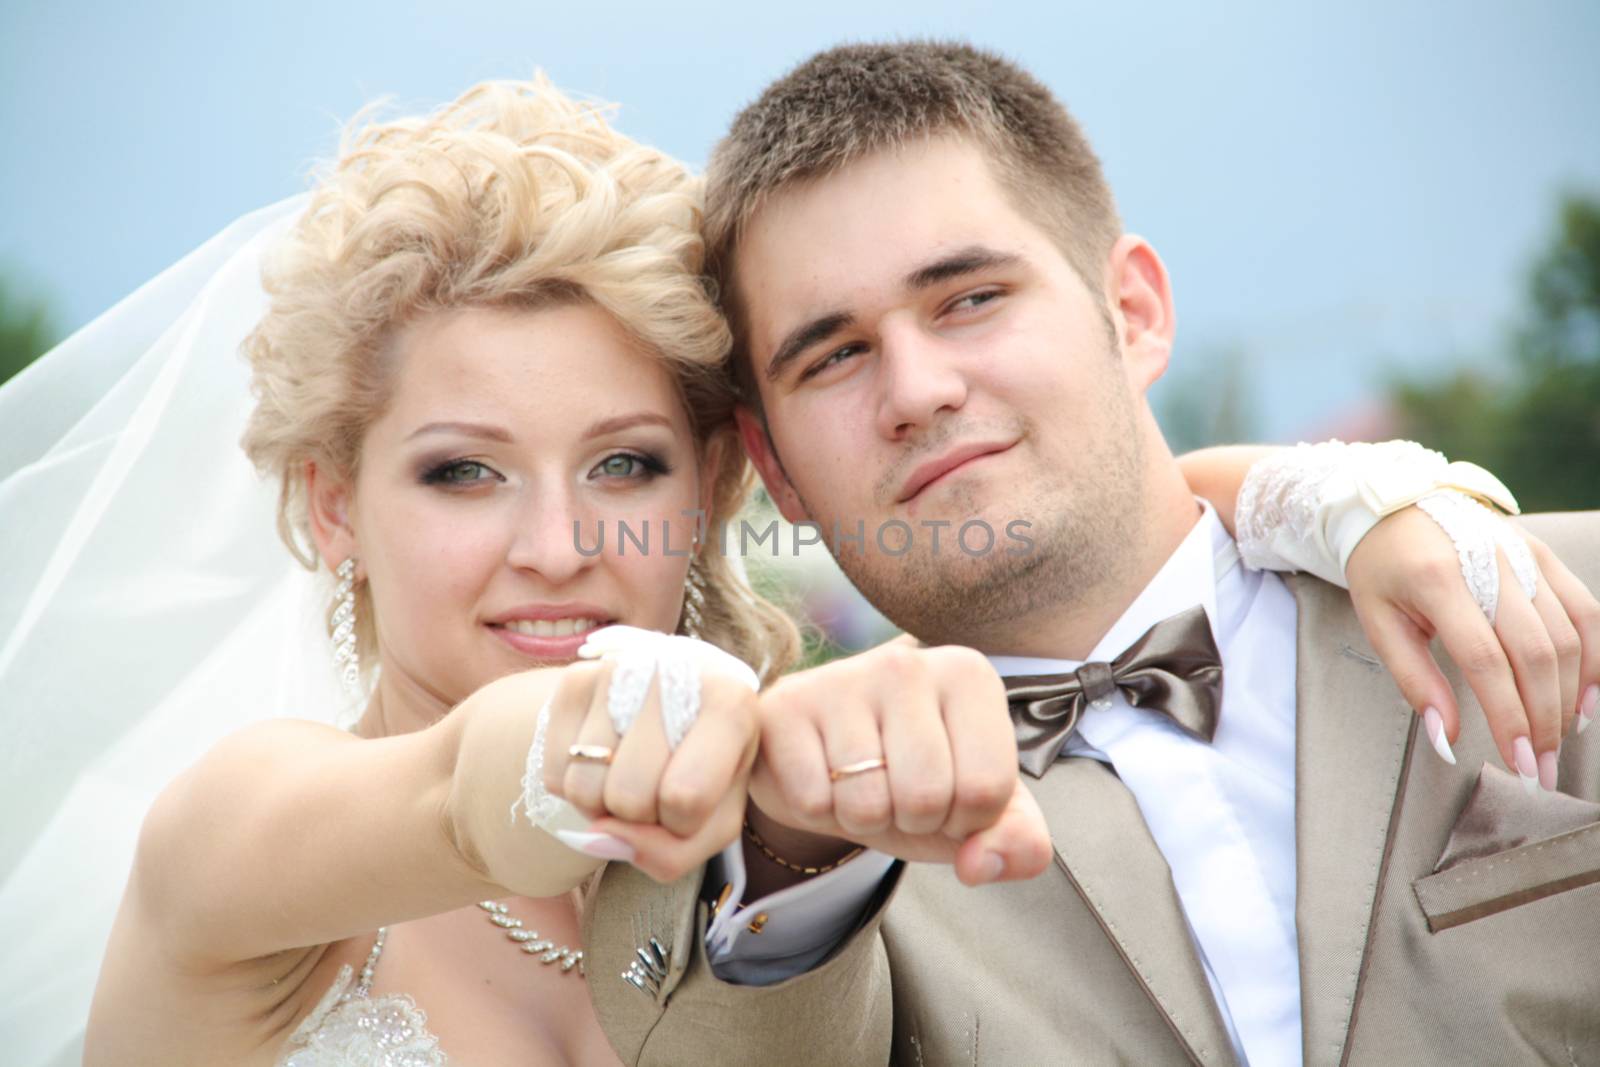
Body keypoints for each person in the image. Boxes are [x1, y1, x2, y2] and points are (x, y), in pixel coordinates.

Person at [0, 67, 1579, 1067]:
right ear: (333, 507)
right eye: (460, 472)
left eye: (624, 464)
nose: (559, 545)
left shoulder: (806, 830)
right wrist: (661, 719)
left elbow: (1075, 518)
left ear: (727, 481)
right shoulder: (245, 837)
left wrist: (1327, 494)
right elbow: (463, 794)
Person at [579, 42, 1600, 1066]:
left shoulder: (1543, 584)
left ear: (1134, 313)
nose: (916, 388)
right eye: (835, 354)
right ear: (777, 469)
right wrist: (795, 839)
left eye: (969, 297)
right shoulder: (806, 868)